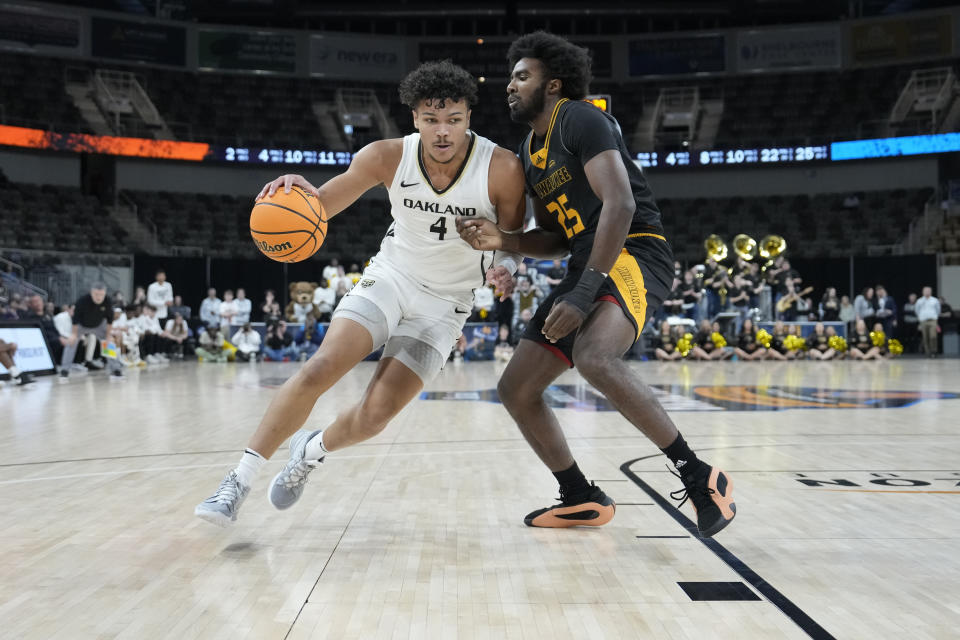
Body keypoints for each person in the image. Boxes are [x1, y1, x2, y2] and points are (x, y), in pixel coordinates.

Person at [195, 60, 526, 527]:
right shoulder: (385, 156)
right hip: (393, 277)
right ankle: (237, 481)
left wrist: (506, 268)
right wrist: (299, 195)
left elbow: (513, 239)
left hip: (447, 302)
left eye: (453, 119)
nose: (443, 132)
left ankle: (311, 449)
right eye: (431, 120)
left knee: (375, 416)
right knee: (322, 365)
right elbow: (321, 206)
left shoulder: (503, 168)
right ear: (414, 118)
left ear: (469, 115)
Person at [456, 32, 734, 538]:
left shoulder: (580, 117)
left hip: (633, 252)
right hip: (586, 263)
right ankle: (580, 495)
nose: (510, 86)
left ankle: (699, 476)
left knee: (594, 357)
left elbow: (621, 205)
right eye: (511, 77)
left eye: (523, 76)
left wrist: (584, 294)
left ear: (553, 84)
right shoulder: (529, 147)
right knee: (516, 388)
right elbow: (559, 238)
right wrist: (507, 240)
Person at [59, 282, 123, 379]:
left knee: (109, 343)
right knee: (71, 342)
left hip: (99, 325)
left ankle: (115, 369)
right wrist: (74, 334)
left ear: (105, 293)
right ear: (91, 293)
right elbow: (75, 319)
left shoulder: (107, 301)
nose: (99, 297)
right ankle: (64, 370)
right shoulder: (82, 301)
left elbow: (109, 320)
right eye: (96, 294)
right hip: (81, 325)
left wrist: (108, 335)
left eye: (101, 295)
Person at [915, 286, 940, 357]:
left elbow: (938, 310)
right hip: (923, 321)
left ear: (931, 292)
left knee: (933, 336)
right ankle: (928, 352)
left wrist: (935, 317)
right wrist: (920, 318)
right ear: (923, 292)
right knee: (925, 337)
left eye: (928, 291)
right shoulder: (919, 301)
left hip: (932, 320)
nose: (927, 292)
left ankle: (934, 351)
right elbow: (917, 310)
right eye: (925, 291)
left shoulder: (935, 300)